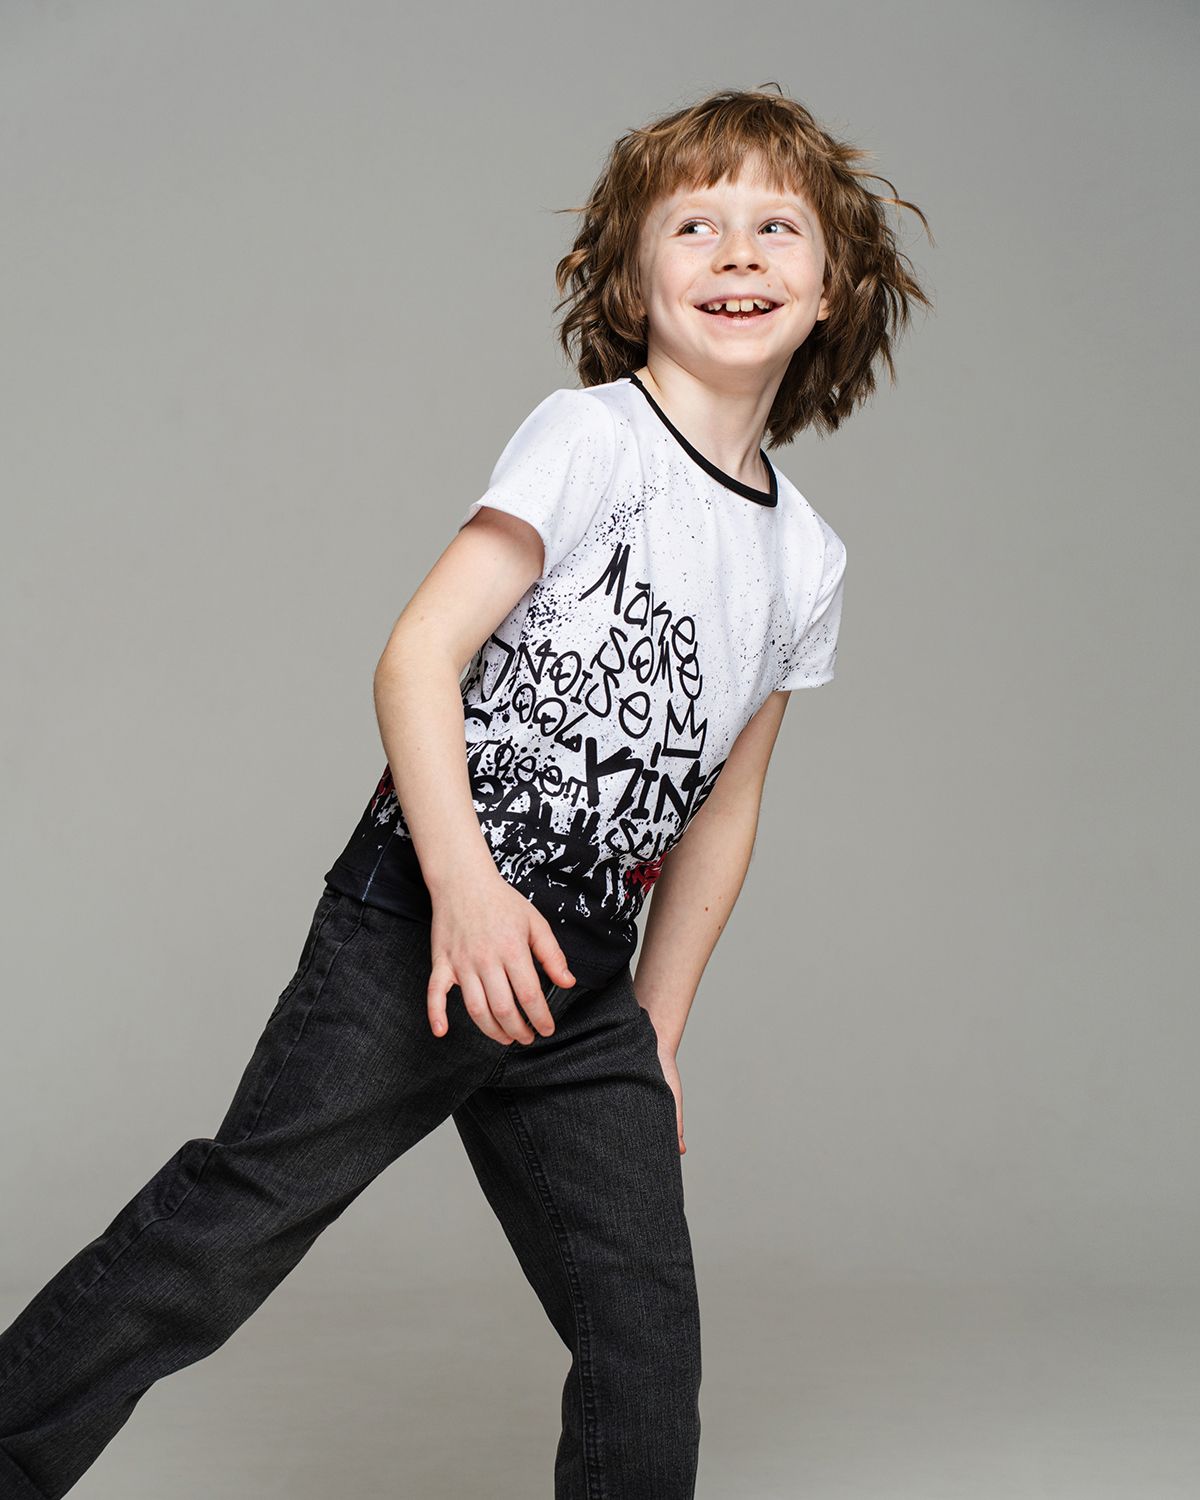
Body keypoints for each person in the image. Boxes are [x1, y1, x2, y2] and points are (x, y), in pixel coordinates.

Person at [0, 84, 931, 1499]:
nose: (738, 253)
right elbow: (417, 657)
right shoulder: (593, 437)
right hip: (424, 923)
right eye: (695, 225)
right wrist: (467, 893)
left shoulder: (807, 558)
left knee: (644, 1341)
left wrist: (658, 1026)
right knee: (228, 1230)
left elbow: (726, 808)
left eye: (776, 229)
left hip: (579, 982)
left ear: (832, 288)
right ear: (631, 278)